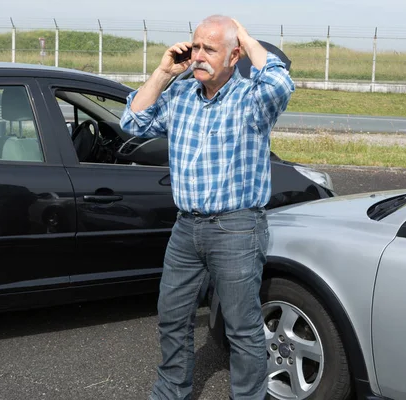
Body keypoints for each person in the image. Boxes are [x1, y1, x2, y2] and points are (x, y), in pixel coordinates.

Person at [120, 14, 295, 400]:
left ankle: (248, 396)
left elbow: (281, 83)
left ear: (234, 56)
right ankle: (171, 391)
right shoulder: (181, 96)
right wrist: (165, 71)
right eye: (195, 46)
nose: (198, 55)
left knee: (242, 326)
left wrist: (246, 37)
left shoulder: (252, 99)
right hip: (186, 229)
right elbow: (132, 121)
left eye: (209, 49)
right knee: (171, 317)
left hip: (236, 227)